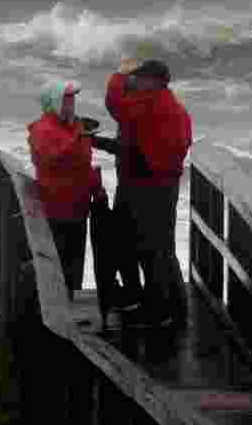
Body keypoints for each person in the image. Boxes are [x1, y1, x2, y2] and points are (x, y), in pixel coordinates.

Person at [101, 58, 192, 329]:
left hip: (152, 185)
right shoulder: (169, 103)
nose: (135, 81)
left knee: (153, 248)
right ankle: (173, 307)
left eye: (140, 77)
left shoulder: (152, 102)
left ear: (154, 80)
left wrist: (118, 77)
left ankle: (160, 310)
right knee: (160, 247)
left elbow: (115, 104)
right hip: (163, 182)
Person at [26, 81, 105, 302]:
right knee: (57, 268)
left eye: (72, 99)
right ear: (53, 102)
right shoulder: (43, 129)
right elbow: (49, 157)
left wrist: (96, 188)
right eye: (66, 99)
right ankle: (57, 318)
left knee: (74, 267)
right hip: (56, 209)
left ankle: (69, 311)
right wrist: (77, 139)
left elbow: (84, 164)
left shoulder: (74, 126)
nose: (71, 104)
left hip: (78, 207)